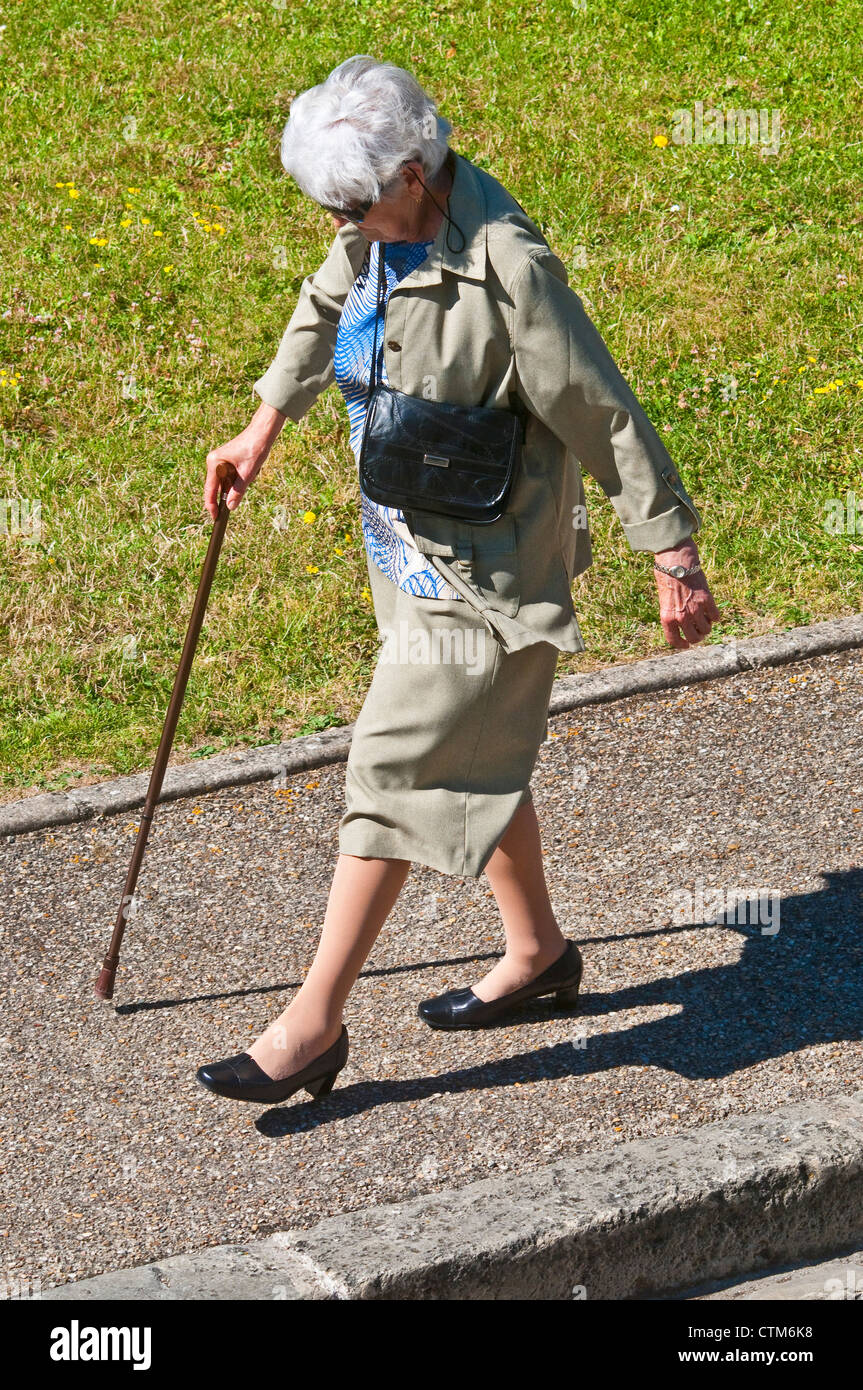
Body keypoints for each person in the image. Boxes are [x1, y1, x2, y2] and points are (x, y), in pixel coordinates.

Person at [196, 56, 721, 1105]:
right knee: (472, 756)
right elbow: (326, 299)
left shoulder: (505, 269)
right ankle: (537, 953)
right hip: (405, 539)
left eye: (352, 200)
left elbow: (598, 408)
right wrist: (263, 424)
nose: (338, 222)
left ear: (410, 170)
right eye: (330, 203)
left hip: (484, 577)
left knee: (389, 773)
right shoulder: (380, 222)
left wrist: (669, 551)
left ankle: (309, 1027)